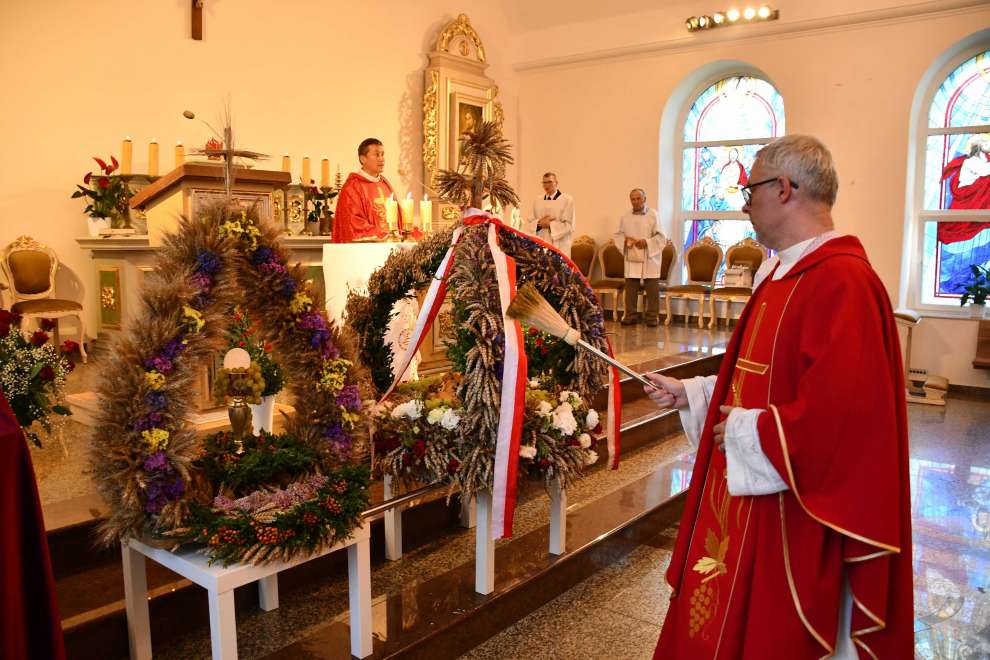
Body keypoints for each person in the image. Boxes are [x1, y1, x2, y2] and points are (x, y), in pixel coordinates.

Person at [644, 135, 913, 658]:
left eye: (750, 192)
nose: (745, 206)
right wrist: (695, 394)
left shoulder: (843, 282)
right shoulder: (782, 274)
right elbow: (760, 376)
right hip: (749, 498)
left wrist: (752, 431)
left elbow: (844, 419)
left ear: (784, 189)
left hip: (792, 513)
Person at [332, 138, 405, 243]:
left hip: (392, 248)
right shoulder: (352, 188)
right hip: (368, 252)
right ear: (363, 159)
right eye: (376, 154)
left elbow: (399, 218)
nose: (381, 159)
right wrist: (385, 236)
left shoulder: (385, 184)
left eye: (382, 154)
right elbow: (354, 223)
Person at [613, 188, 667, 326]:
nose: (635, 202)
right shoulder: (625, 216)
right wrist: (625, 241)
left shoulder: (653, 214)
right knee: (630, 287)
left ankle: (652, 317)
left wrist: (647, 242)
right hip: (632, 255)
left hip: (650, 256)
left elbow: (661, 236)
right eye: (633, 199)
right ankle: (630, 315)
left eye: (638, 198)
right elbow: (618, 235)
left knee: (652, 289)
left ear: (644, 199)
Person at [525, 172, 575, 254]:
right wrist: (538, 224)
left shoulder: (567, 200)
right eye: (544, 182)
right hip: (541, 245)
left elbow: (569, 225)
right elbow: (530, 223)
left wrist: (550, 225)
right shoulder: (537, 201)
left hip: (560, 245)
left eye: (549, 182)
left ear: (556, 183)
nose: (546, 185)